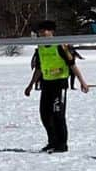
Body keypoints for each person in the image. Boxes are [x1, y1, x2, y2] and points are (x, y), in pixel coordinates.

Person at [24, 19, 89, 152]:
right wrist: (30, 85)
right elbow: (39, 68)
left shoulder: (60, 45)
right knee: (45, 115)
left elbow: (72, 64)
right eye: (40, 31)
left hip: (60, 84)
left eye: (44, 31)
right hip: (46, 84)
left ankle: (62, 144)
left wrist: (82, 82)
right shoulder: (40, 47)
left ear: (51, 32)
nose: (41, 33)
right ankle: (52, 141)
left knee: (58, 114)